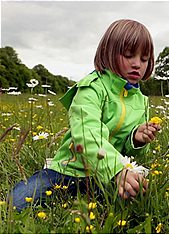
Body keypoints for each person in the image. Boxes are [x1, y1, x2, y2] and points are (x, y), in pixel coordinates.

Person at [8, 19, 161, 212]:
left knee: (138, 201)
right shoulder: (91, 88)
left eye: (144, 59)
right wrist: (116, 171)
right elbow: (86, 133)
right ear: (108, 53)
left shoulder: (142, 101)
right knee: (15, 203)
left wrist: (137, 140)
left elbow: (132, 156)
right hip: (68, 170)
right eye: (129, 55)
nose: (137, 64)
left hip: (108, 176)